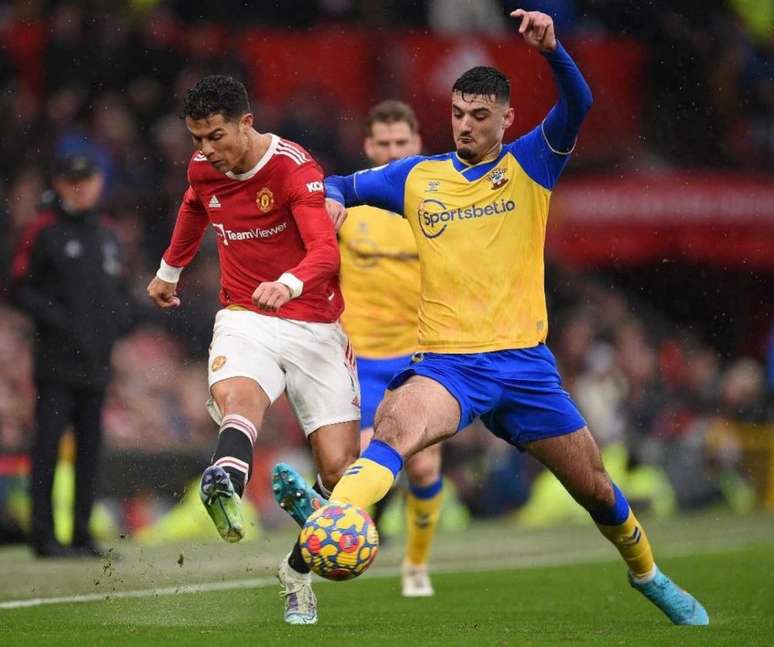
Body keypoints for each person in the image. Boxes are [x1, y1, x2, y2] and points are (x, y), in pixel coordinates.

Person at [321, 10, 709, 625]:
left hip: (526, 367)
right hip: (450, 366)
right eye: (458, 114)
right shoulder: (418, 178)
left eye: (480, 116)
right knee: (396, 430)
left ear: (507, 118)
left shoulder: (533, 160)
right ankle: (333, 522)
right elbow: (336, 181)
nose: (467, 126)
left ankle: (649, 575)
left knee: (596, 488)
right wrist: (338, 202)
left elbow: (578, 103)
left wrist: (554, 51)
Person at [146, 75, 360, 626]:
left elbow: (325, 253)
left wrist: (288, 283)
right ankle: (228, 478)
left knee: (339, 472)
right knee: (242, 401)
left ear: (246, 122)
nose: (206, 151)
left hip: (314, 324)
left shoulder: (294, 168)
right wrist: (170, 269)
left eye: (216, 136)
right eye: (197, 139)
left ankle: (295, 572)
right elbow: (195, 204)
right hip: (247, 316)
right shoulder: (203, 168)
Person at [338, 100, 443, 597]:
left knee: (423, 465)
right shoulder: (346, 205)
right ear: (367, 146)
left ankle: (416, 566)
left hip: (420, 356)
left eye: (401, 143)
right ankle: (338, 538)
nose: (392, 152)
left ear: (418, 143)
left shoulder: (435, 205)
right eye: (382, 144)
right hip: (359, 360)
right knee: (360, 462)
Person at [12, 153, 131, 558]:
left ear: (98, 182)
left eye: (87, 180)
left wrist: (119, 323)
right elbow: (19, 286)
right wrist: (60, 320)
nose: (81, 188)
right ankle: (43, 536)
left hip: (96, 363)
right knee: (47, 448)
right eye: (73, 181)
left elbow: (116, 293)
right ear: (60, 184)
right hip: (56, 363)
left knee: (91, 451)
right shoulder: (44, 230)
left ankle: (82, 532)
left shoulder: (107, 233)